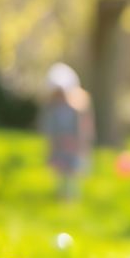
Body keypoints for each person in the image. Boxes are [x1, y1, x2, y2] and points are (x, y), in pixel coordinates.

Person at [40, 62, 94, 200]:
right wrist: (52, 143)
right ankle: (60, 193)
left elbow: (83, 130)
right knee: (60, 170)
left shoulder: (76, 110)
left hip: (72, 146)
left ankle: (71, 195)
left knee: (72, 172)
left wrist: (81, 144)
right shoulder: (51, 110)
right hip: (59, 146)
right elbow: (49, 129)